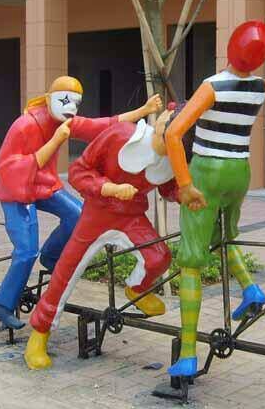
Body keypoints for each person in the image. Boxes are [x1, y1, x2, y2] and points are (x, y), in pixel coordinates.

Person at [163, 18, 265, 378]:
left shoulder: (213, 86)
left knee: (191, 261)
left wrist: (184, 183)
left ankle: (187, 355)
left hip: (208, 170)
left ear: (230, 48)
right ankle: (251, 289)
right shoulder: (258, 87)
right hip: (239, 172)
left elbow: (174, 134)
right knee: (224, 236)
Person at [0, 76, 162, 329]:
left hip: (44, 186)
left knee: (78, 215)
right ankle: (3, 304)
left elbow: (102, 125)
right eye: (65, 100)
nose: (71, 108)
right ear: (49, 99)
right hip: (17, 190)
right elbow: (6, 168)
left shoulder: (65, 122)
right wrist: (55, 140)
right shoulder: (25, 125)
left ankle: (52, 257)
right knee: (26, 251)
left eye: (76, 103)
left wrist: (143, 111)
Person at [24, 108, 179, 369]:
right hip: (97, 213)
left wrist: (187, 194)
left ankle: (137, 289)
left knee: (158, 257)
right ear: (162, 118)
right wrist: (108, 188)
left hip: (131, 217)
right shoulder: (121, 135)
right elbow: (79, 170)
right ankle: (40, 333)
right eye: (169, 125)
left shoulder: (172, 160)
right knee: (66, 271)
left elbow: (168, 187)